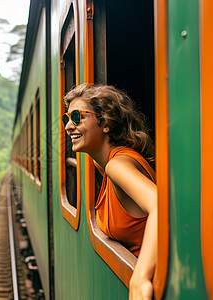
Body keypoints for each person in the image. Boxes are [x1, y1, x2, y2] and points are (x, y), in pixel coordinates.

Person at [62, 84, 157, 300]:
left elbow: (160, 206)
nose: (68, 126)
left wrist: (140, 278)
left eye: (77, 117)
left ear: (105, 122)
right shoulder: (106, 164)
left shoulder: (117, 166)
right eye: (66, 118)